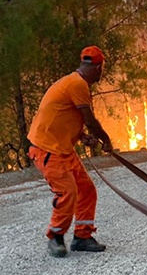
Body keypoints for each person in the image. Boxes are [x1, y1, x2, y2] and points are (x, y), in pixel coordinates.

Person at [27, 45, 113, 258]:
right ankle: (55, 237)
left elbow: (65, 115)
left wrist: (81, 136)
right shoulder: (78, 84)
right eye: (101, 70)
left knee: (86, 189)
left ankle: (82, 237)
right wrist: (106, 140)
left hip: (62, 149)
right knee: (68, 193)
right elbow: (90, 119)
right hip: (48, 150)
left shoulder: (72, 81)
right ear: (98, 68)